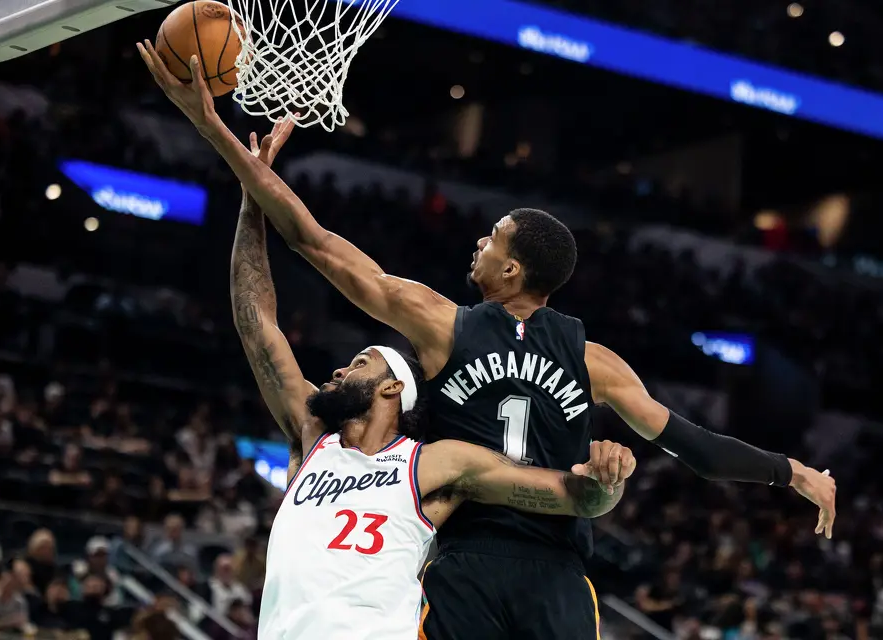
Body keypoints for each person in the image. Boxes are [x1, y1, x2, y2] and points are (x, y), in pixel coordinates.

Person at [136, 45, 837, 640]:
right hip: (511, 558)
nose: (477, 240)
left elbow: (314, 242)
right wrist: (789, 471)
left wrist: (221, 139)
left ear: (512, 268)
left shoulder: (447, 323)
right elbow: (694, 448)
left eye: (491, 237)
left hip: (494, 559)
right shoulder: (591, 363)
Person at [220, 119, 634, 639]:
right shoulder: (312, 439)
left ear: (395, 386)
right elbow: (255, 320)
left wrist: (608, 482)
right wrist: (250, 192)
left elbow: (573, 497)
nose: (340, 370)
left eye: (361, 363)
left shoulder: (432, 463)